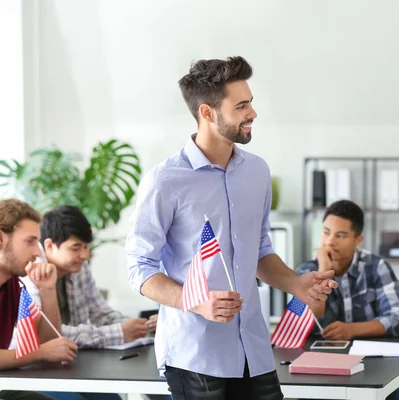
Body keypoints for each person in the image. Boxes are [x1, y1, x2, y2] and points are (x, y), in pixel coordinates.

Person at [125, 56, 337, 400]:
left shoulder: (257, 171)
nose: (253, 112)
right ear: (208, 113)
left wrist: (295, 283)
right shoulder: (164, 180)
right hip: (195, 352)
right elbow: (139, 268)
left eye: (250, 102)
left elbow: (260, 249)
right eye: (241, 106)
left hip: (253, 346)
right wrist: (194, 301)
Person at [18, 205, 157, 400]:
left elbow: (99, 312)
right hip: (37, 371)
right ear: (49, 246)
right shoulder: (31, 274)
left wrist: (140, 326)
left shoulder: (79, 269)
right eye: (76, 248)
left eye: (86, 247)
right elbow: (51, 338)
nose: (84, 255)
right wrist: (118, 333)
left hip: (74, 366)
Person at [296, 199, 399, 400]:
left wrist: (351, 330)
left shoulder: (376, 267)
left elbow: (398, 318)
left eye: (340, 235)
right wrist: (323, 270)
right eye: (326, 232)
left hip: (373, 365)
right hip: (323, 368)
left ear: (358, 239)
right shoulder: (307, 271)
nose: (330, 241)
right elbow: (304, 321)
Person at [0, 199, 78, 400]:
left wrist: (48, 290)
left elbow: (48, 342)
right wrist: (39, 353)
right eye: (30, 241)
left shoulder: (13, 285)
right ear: (0, 237)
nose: (37, 252)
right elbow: (43, 351)